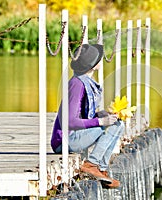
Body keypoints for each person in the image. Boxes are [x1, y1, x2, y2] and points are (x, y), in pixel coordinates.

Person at [51, 44, 124, 188]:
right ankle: (91, 165)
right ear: (93, 65)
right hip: (65, 140)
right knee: (113, 126)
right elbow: (70, 121)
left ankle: (101, 169)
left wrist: (99, 115)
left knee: (118, 124)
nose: (101, 60)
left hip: (75, 136)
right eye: (99, 58)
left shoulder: (83, 81)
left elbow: (81, 115)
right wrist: (100, 121)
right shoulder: (77, 84)